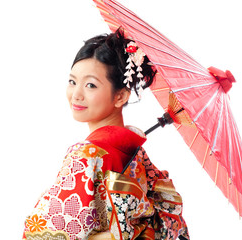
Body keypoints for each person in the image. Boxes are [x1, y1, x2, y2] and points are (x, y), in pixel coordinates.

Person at [22, 28, 190, 240]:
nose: (76, 94)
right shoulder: (137, 156)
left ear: (120, 96)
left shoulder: (86, 155)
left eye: (90, 85)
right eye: (72, 81)